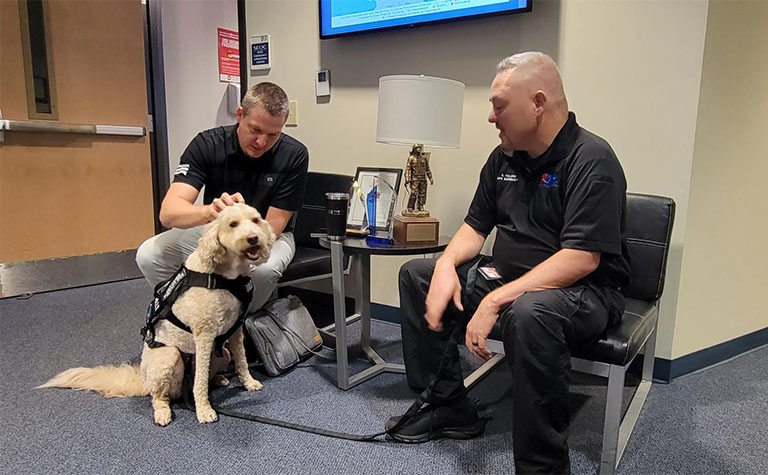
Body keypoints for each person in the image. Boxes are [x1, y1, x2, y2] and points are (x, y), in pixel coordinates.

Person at [387, 52, 630, 474]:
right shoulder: (503, 158)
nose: (490, 117)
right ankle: (448, 407)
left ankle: (543, 466)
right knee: (418, 275)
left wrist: (496, 299)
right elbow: (474, 227)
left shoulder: (593, 159)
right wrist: (445, 266)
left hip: (584, 291)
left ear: (537, 104)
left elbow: (581, 258)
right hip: (511, 280)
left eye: (498, 105)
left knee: (530, 310)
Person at [136, 82, 309, 313]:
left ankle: (239, 324)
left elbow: (273, 229)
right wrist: (210, 211)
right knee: (150, 255)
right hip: (217, 227)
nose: (261, 143)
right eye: (255, 130)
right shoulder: (207, 144)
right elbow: (168, 214)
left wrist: (236, 244)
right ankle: (187, 315)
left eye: (273, 135)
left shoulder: (294, 155)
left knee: (264, 270)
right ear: (239, 115)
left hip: (267, 234)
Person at [403, 144, 434, 215]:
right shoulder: (411, 158)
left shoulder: (424, 158)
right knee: (413, 193)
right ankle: (410, 207)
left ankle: (420, 206)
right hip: (414, 179)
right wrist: (407, 178)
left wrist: (431, 178)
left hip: (423, 178)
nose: (418, 150)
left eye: (420, 148)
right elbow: (407, 169)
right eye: (417, 148)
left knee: (422, 193)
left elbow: (427, 169)